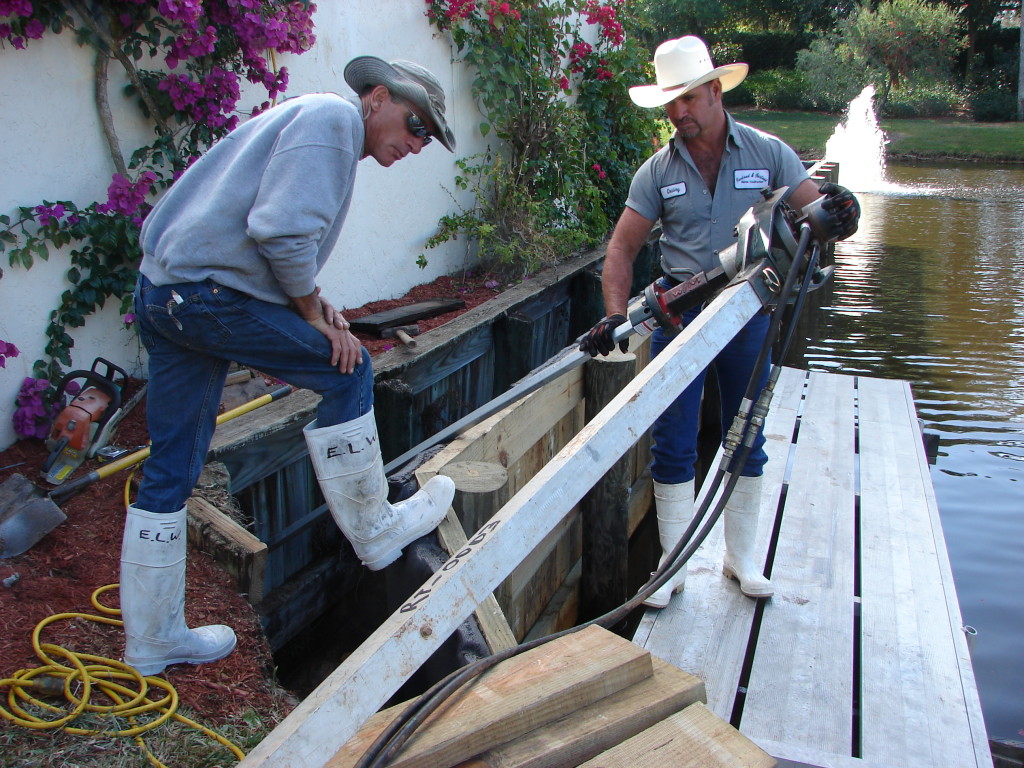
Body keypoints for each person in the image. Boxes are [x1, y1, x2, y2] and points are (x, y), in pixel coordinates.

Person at [123, 57, 459, 676]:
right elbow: (278, 232)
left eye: (426, 139)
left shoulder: (315, 124)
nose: (415, 143)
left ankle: (152, 640)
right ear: (377, 97)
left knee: (172, 467)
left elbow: (259, 236)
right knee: (347, 370)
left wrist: (313, 301)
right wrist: (308, 313)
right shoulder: (333, 118)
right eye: (415, 125)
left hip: (166, 296)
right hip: (204, 298)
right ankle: (376, 528)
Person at [579, 37, 859, 607]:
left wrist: (841, 213)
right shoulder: (656, 172)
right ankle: (672, 566)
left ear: (714, 91)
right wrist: (614, 316)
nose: (678, 112)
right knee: (672, 441)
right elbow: (621, 250)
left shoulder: (769, 153)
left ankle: (741, 560)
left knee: (745, 435)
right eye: (669, 103)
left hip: (748, 312)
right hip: (678, 316)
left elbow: (816, 217)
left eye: (687, 98)